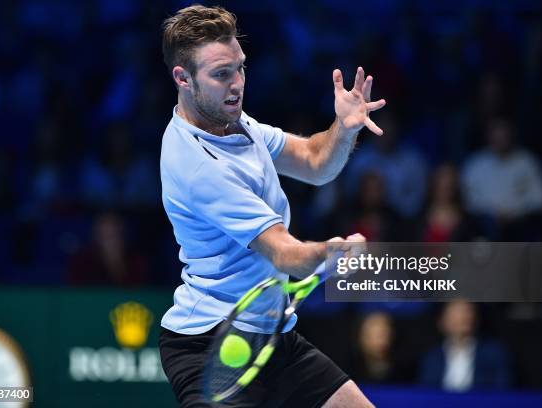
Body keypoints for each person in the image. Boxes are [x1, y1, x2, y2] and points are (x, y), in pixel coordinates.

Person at [157, 5, 385, 407]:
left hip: (271, 334)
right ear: (183, 78)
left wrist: (344, 129)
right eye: (221, 74)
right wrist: (329, 254)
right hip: (212, 343)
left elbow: (315, 161)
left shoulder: (235, 121)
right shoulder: (197, 166)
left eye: (240, 68)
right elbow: (284, 253)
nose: (237, 85)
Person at [418, 301, 511, 392]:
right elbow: (425, 392)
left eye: (468, 311)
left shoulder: (493, 353)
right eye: (456, 313)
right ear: (442, 321)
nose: (463, 317)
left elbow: (503, 393)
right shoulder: (431, 356)